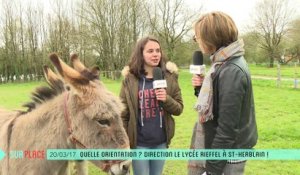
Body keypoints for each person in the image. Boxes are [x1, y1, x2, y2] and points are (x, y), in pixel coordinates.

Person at [190, 11, 258, 175]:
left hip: (229, 154)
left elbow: (227, 128)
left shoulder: (231, 69)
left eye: (197, 37)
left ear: (211, 37)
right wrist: (201, 89)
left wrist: (212, 170)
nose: (196, 41)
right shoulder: (223, 63)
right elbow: (218, 105)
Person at [119, 36, 184, 175]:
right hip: (139, 144)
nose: (155, 54)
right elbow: (123, 114)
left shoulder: (170, 77)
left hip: (161, 142)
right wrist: (124, 143)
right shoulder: (130, 80)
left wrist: (166, 99)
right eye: (150, 51)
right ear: (141, 54)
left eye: (158, 50)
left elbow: (179, 108)